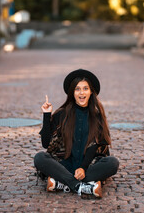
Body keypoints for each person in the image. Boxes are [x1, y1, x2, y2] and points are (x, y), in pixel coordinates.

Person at [34, 69, 119, 198]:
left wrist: (83, 168)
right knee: (39, 158)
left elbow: (96, 146)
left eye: (85, 88)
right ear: (72, 93)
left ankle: (61, 182)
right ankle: (80, 186)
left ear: (91, 92)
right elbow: (46, 144)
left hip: (88, 166)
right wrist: (47, 115)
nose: (81, 93)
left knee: (113, 163)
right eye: (77, 89)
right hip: (64, 165)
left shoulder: (97, 117)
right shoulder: (61, 114)